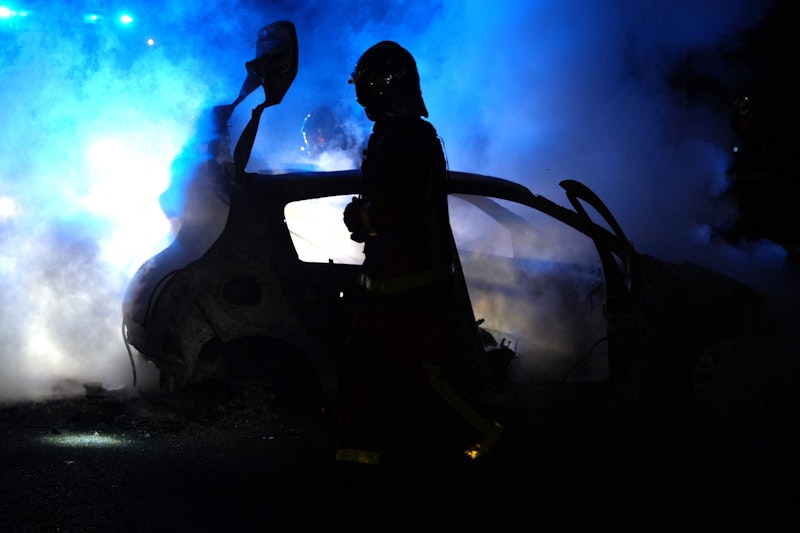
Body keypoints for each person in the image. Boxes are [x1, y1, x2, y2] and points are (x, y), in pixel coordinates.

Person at [337, 41, 502, 466]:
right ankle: (359, 459)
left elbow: (401, 210)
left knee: (423, 378)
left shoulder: (407, 139)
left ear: (384, 84)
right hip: (388, 280)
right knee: (363, 369)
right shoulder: (394, 135)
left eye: (365, 84)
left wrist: (361, 216)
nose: (360, 95)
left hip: (410, 285)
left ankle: (485, 438)